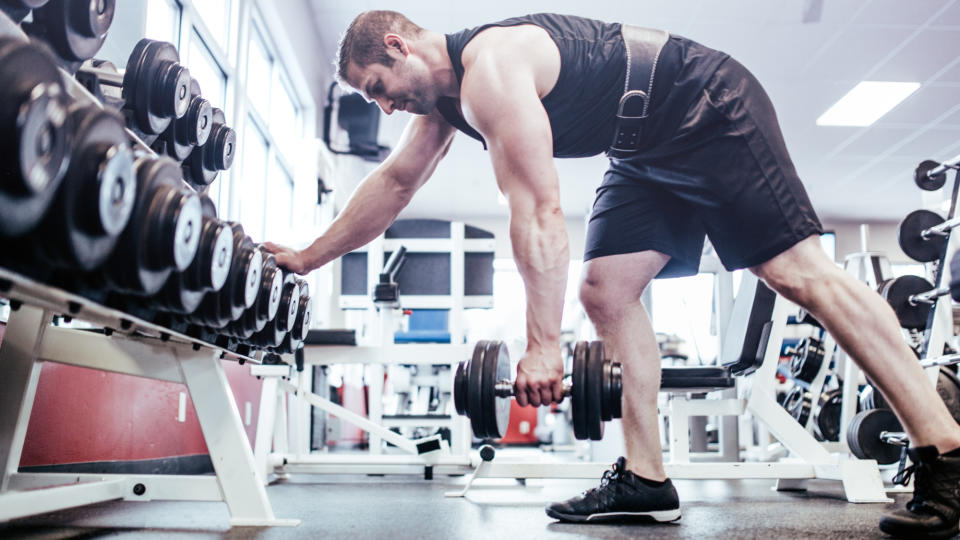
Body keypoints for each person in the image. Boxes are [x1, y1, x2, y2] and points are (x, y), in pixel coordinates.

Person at [264, 10, 960, 537]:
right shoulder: (446, 106)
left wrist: (542, 344)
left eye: (379, 89)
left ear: (397, 45)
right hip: (642, 148)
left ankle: (946, 453)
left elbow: (539, 211)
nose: (384, 107)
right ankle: (647, 477)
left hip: (703, 102)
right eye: (373, 102)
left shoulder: (493, 70)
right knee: (607, 291)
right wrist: (306, 256)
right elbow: (392, 187)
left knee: (796, 273)